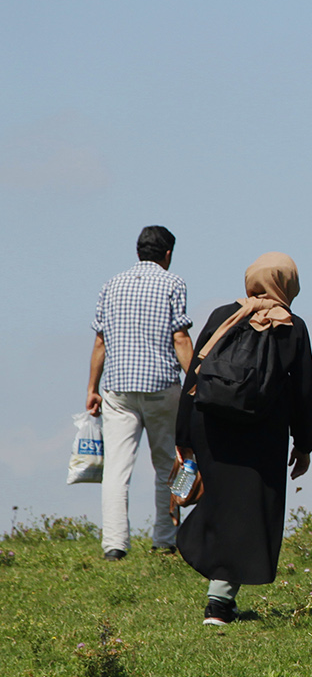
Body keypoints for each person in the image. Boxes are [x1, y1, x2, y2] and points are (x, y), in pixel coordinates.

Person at [175, 253, 312, 625]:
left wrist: (183, 434)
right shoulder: (292, 326)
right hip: (261, 435)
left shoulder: (223, 316)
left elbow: (195, 375)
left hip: (210, 427)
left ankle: (215, 590)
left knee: (222, 504)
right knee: (247, 513)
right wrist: (304, 445)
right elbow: (304, 392)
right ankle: (219, 603)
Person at [86, 226, 193, 560]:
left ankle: (114, 545)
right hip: (162, 387)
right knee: (168, 467)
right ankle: (165, 539)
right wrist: (196, 383)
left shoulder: (111, 284)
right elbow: (180, 339)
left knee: (117, 470)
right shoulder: (173, 283)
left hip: (118, 389)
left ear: (137, 252)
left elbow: (100, 341)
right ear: (168, 254)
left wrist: (92, 388)